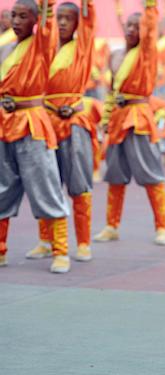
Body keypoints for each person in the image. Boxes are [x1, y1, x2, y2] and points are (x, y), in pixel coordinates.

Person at [0, 0, 71, 273]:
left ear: (36, 20)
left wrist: (45, 8)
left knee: (46, 184)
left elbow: (48, 16)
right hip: (5, 124)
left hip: (32, 124)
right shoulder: (7, 48)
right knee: (3, 188)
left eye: (23, 16)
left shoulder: (42, 44)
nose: (16, 21)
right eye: (13, 16)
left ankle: (61, 251)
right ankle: (2, 249)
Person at [94, 0, 165, 246]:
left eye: (136, 26)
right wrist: (106, 119)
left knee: (151, 175)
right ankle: (111, 226)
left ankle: (162, 227)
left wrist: (149, 8)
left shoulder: (147, 52)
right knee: (115, 176)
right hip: (117, 119)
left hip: (138, 118)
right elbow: (111, 91)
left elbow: (150, 28)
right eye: (128, 25)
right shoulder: (115, 56)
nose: (131, 30)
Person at [25, 0, 97, 264]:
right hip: (45, 123)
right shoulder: (45, 48)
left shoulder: (82, 47)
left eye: (69, 18)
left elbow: (90, 17)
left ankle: (84, 242)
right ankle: (46, 241)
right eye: (60, 18)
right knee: (46, 184)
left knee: (79, 185)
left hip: (73, 123)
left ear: (78, 23)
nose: (63, 22)